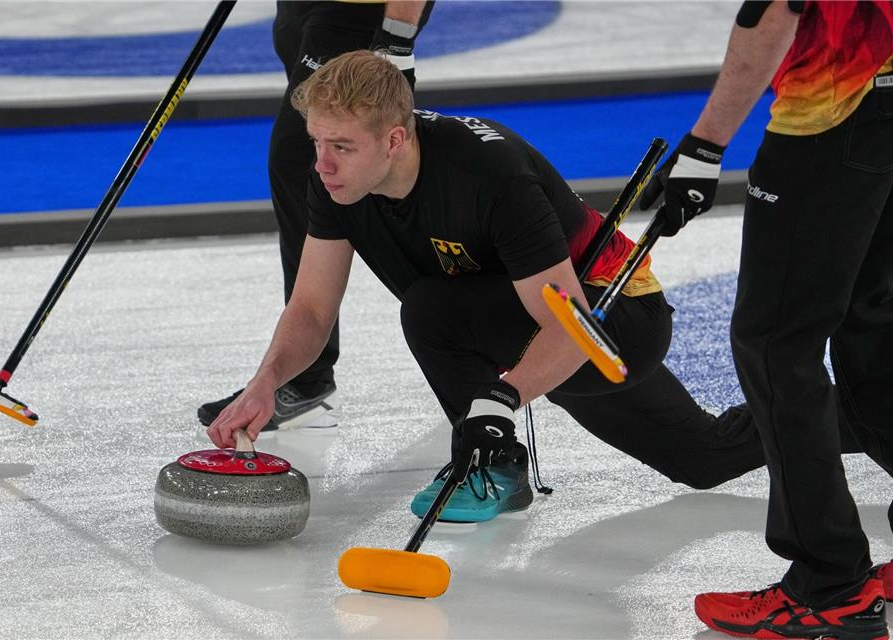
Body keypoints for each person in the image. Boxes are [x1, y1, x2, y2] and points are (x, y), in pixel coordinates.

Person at [206, 49, 774, 525]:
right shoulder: (336, 183)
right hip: (519, 321)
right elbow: (310, 309)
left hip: (611, 321)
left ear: (395, 140)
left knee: (431, 308)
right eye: (316, 143)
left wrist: (499, 402)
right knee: (705, 457)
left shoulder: (486, 174)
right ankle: (860, 414)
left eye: (342, 147)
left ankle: (490, 464)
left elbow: (569, 323)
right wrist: (266, 382)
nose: (323, 164)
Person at [638, 1, 893, 638]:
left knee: (778, 346)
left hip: (833, 108)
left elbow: (773, 10)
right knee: (876, 327)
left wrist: (703, 146)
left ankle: (830, 585)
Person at [198, 0, 432, 433]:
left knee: (309, 158)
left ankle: (307, 372)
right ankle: (465, 328)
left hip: (356, 12)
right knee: (321, 162)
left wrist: (396, 35)